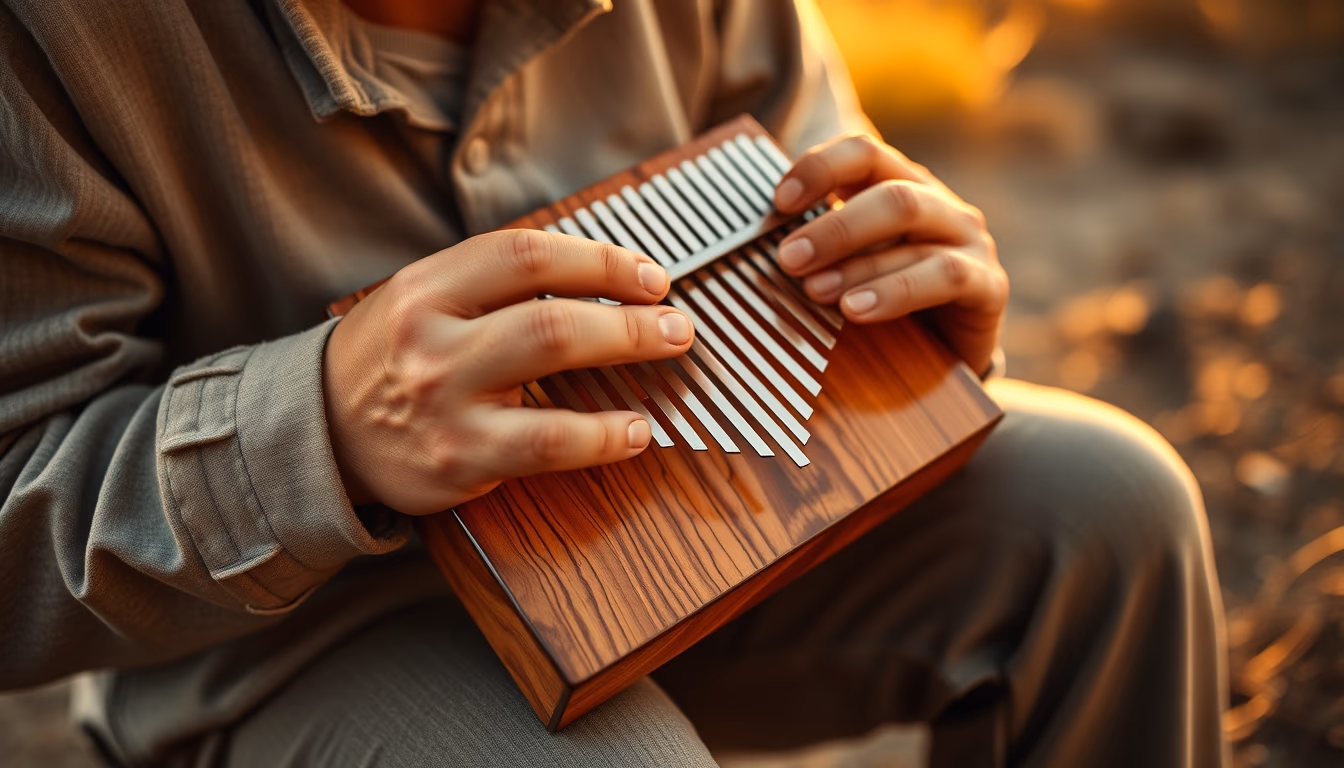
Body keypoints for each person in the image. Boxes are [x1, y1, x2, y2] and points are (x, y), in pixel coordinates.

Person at [0, 0, 1228, 765]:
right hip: (295, 636)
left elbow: (813, 200)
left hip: (694, 533)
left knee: (1114, 507)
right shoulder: (54, 36)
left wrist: (904, 314)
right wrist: (314, 430)